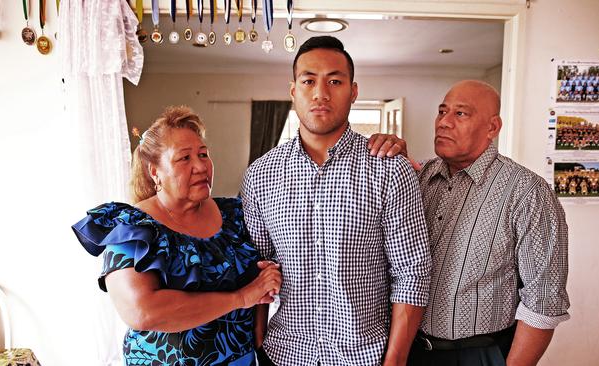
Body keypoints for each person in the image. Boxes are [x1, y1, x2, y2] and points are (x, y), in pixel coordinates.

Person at [241, 36, 431, 366]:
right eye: (309, 80)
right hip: (284, 353)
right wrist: (258, 342)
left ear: (353, 91)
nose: (320, 93)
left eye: (334, 81)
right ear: (293, 90)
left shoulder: (389, 169)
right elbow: (258, 265)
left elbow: (412, 274)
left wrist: (395, 361)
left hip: (365, 356)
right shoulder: (260, 175)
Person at [368, 80, 570, 366]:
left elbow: (544, 301)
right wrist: (386, 155)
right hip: (405, 349)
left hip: (479, 353)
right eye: (442, 112)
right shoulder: (416, 177)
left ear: (492, 127)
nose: (444, 123)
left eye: (460, 114)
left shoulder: (526, 191)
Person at [72, 106, 282, 365]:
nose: (200, 166)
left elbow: (260, 280)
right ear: (154, 171)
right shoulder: (132, 228)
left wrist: (258, 330)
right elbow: (142, 310)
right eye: (184, 158)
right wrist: (240, 298)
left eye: (203, 154)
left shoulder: (236, 214)